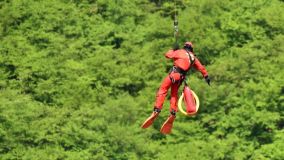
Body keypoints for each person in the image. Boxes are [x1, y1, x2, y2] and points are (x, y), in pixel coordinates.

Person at [141, 41, 211, 134]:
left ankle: (157, 110)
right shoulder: (193, 58)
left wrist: (172, 50)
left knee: (163, 89)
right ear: (191, 49)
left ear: (184, 47)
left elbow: (168, 55)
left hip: (174, 74)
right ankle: (173, 113)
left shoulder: (180, 52)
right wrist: (206, 77)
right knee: (174, 94)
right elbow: (202, 68)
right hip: (181, 78)